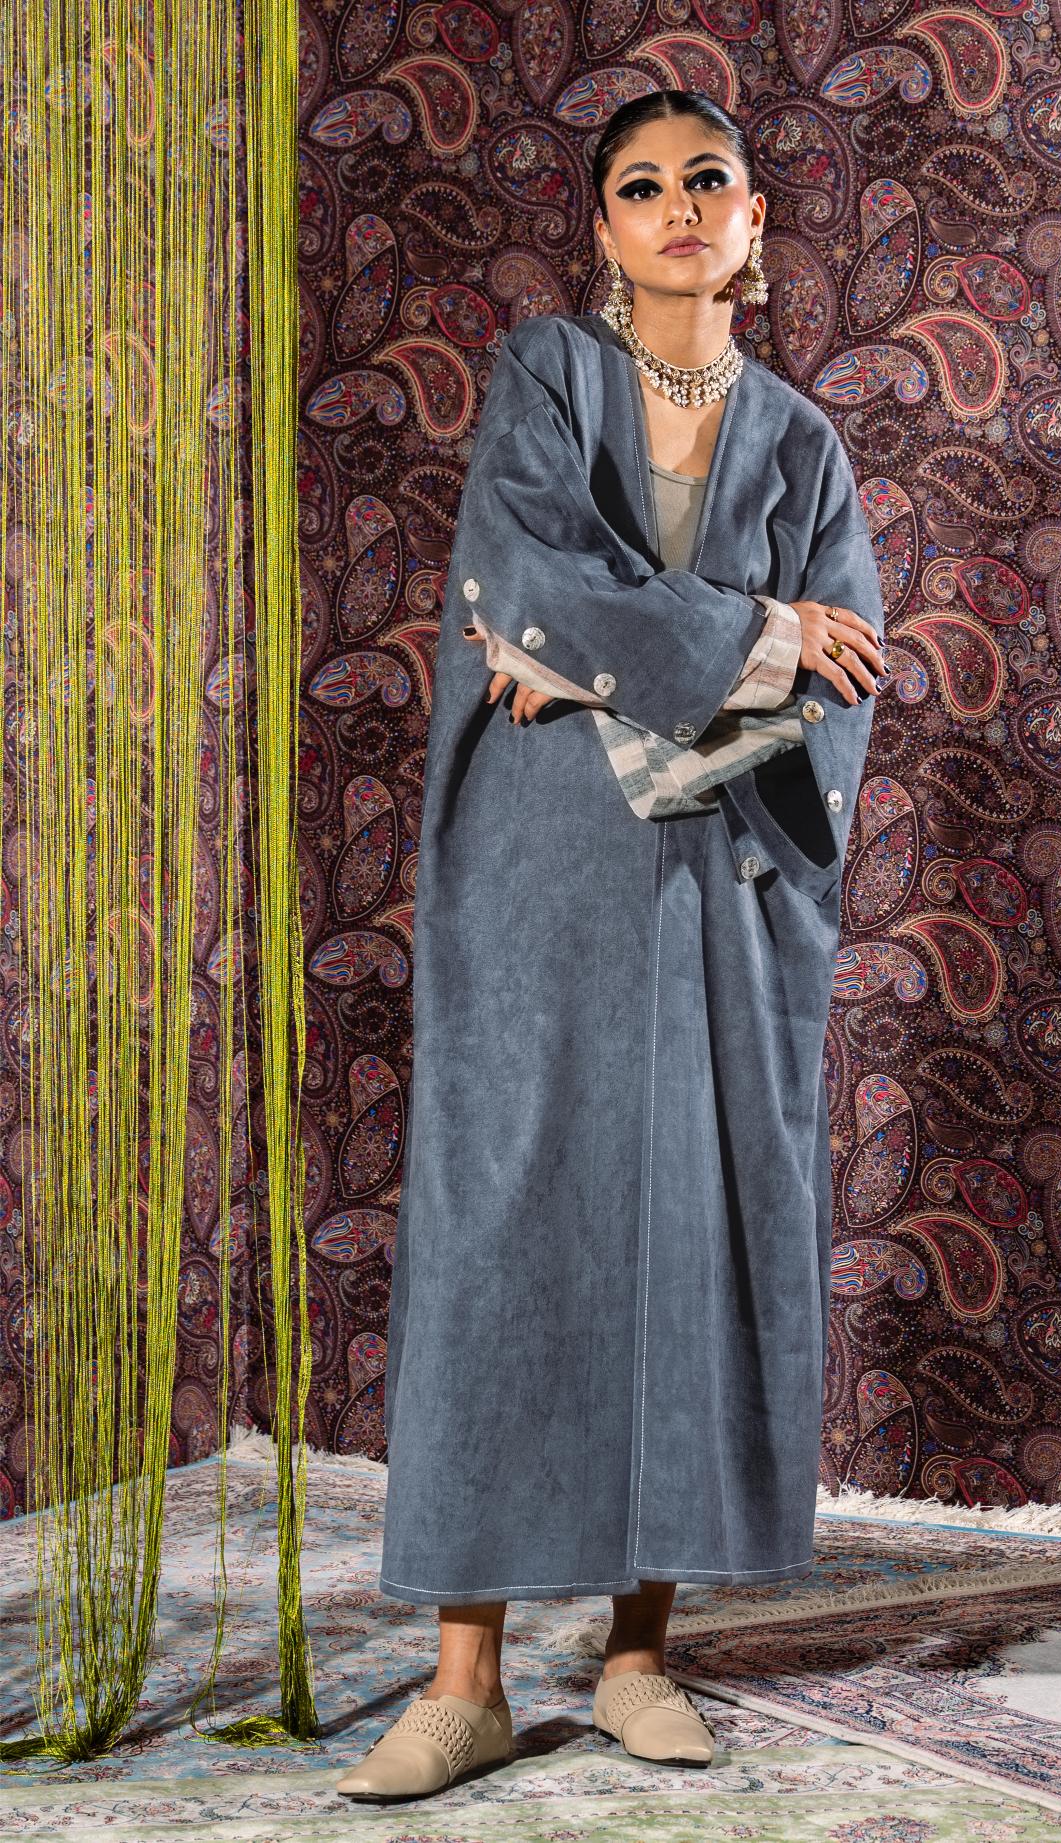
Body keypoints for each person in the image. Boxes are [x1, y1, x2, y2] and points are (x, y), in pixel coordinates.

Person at [337, 87, 886, 1803]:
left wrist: (610, 670)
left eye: (706, 181)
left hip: (717, 888)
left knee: (684, 1220)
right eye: (640, 186)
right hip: (539, 869)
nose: (676, 207)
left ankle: (641, 1651)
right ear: (601, 227)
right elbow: (520, 580)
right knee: (508, 1218)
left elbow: (844, 677)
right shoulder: (546, 376)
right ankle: (467, 1681)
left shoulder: (800, 443)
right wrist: (754, 634)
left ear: (753, 222)